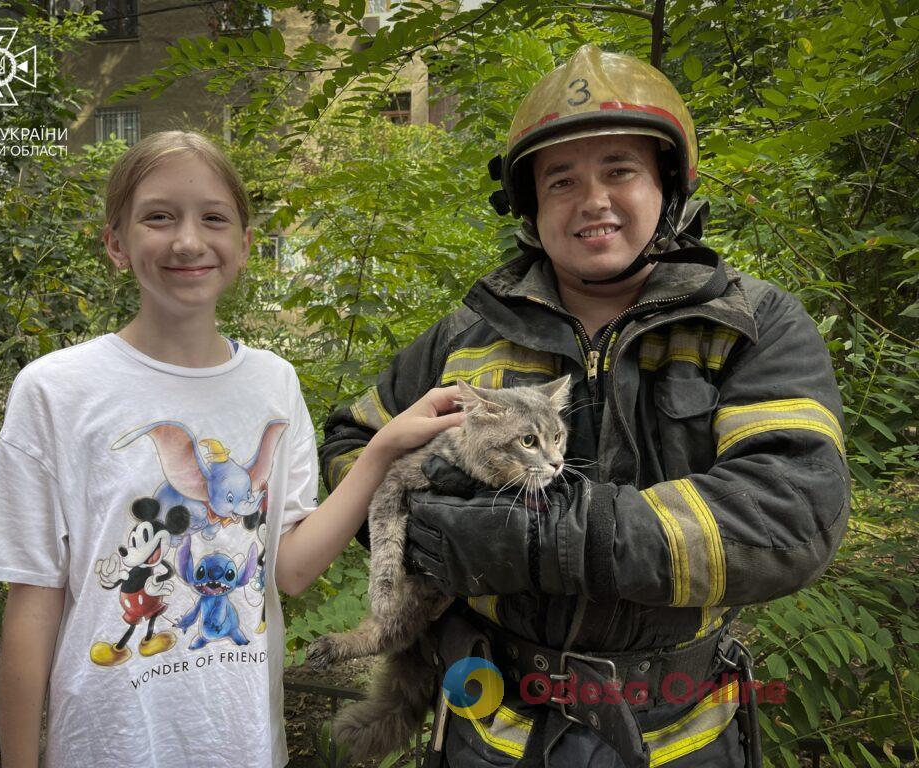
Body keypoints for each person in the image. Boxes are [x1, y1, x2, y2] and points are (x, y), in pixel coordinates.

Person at [320, 46, 850, 767]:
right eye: (561, 180)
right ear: (531, 207)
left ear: (668, 184)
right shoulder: (465, 338)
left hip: (678, 733)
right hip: (488, 725)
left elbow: (793, 515)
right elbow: (353, 440)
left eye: (620, 171)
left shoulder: (751, 326)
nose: (592, 199)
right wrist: (425, 526)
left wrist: (546, 540)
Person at [0, 130, 464, 768]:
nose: (187, 240)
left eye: (214, 218)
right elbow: (33, 602)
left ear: (244, 246)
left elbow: (288, 569)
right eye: (158, 216)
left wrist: (382, 449)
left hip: (240, 742)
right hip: (107, 744)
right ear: (115, 244)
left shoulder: (273, 383)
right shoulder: (56, 390)